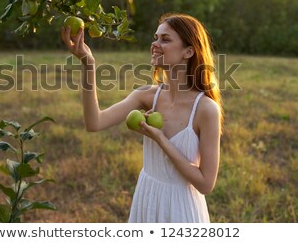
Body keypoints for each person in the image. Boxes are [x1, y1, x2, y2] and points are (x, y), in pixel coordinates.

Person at [61, 13, 222, 223]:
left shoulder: (205, 109)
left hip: (181, 209)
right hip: (147, 198)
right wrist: (87, 62)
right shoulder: (147, 95)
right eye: (156, 37)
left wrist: (160, 139)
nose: (155, 44)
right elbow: (94, 123)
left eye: (165, 39)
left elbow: (206, 184)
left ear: (188, 51)